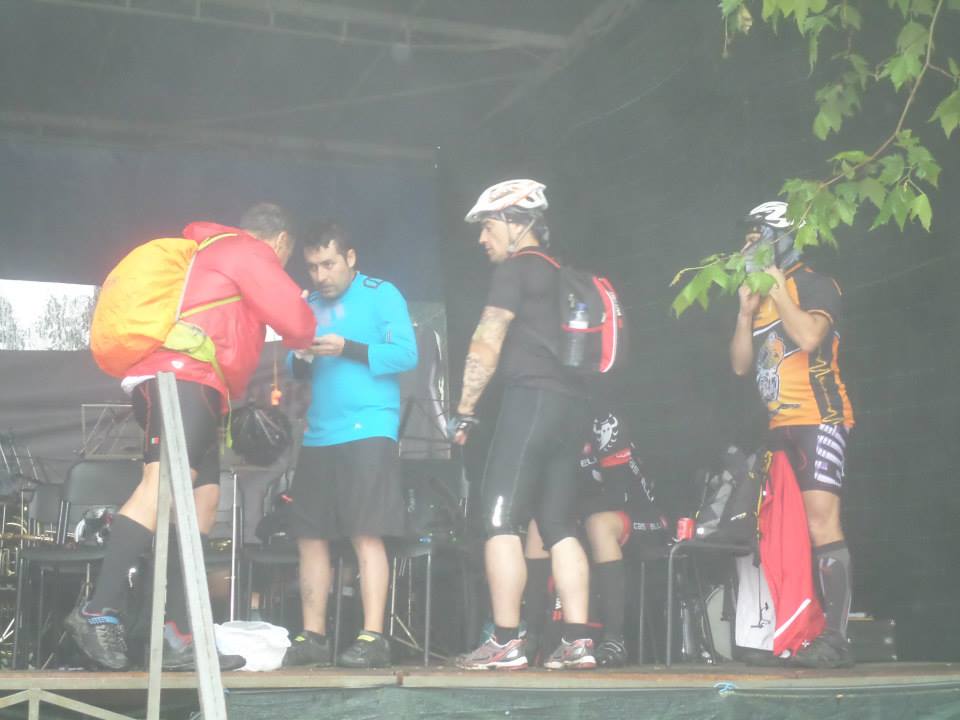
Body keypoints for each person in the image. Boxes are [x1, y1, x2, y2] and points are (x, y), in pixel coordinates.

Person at [66, 203, 317, 671]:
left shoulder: (220, 255)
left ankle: (177, 634)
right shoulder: (245, 250)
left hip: (200, 386)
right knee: (160, 486)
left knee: (202, 502)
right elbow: (298, 322)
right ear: (281, 241)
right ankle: (98, 610)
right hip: (181, 377)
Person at [450, 179, 596, 670]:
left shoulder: (514, 271)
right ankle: (578, 642)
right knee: (557, 523)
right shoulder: (563, 275)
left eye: (488, 226)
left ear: (518, 224)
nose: (481, 238)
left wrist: (466, 408)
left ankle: (506, 641)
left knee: (499, 519)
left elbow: (486, 340)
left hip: (531, 402)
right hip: (572, 407)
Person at [281, 220, 417, 669]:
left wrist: (348, 348)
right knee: (310, 535)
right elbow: (293, 369)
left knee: (366, 530)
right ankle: (313, 636)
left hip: (370, 427)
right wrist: (302, 355)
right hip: (320, 431)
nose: (321, 275)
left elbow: (406, 354)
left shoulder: (382, 294)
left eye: (329, 264)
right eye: (312, 267)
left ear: (351, 258)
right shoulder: (308, 305)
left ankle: (373, 636)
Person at [730, 200, 856, 668]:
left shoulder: (815, 283)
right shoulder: (760, 295)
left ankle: (836, 640)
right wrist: (745, 314)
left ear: (782, 238)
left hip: (819, 417)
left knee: (822, 524)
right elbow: (740, 366)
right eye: (746, 239)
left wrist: (779, 287)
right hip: (778, 428)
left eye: (758, 237)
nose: (749, 246)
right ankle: (799, 633)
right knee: (786, 532)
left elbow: (808, 338)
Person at [523, 409, 666, 668]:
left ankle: (614, 639)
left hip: (639, 514)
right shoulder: (547, 425)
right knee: (537, 525)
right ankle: (531, 637)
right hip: (581, 515)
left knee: (598, 524)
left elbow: (618, 495)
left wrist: (567, 515)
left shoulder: (605, 423)